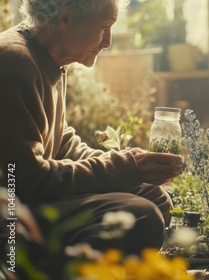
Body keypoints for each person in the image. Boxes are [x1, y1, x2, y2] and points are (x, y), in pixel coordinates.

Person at [0, 0, 183, 276]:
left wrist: (132, 165)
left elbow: (61, 144)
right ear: (65, 20)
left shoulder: (46, 60)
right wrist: (124, 168)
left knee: (153, 197)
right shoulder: (15, 63)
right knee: (140, 215)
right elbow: (24, 182)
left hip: (29, 199)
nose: (108, 41)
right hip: (10, 225)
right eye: (104, 27)